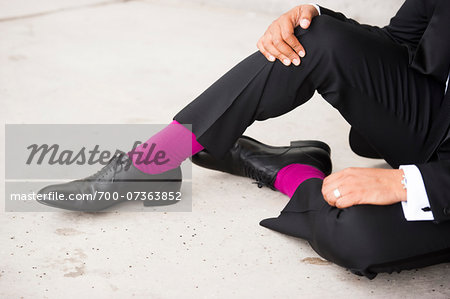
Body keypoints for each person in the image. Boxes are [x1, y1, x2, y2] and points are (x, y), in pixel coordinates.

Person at [37, 0, 450, 279]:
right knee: (318, 39)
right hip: (435, 122)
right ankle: (152, 161)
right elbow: (403, 44)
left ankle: (292, 171)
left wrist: (409, 184)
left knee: (359, 233)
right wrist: (313, 21)